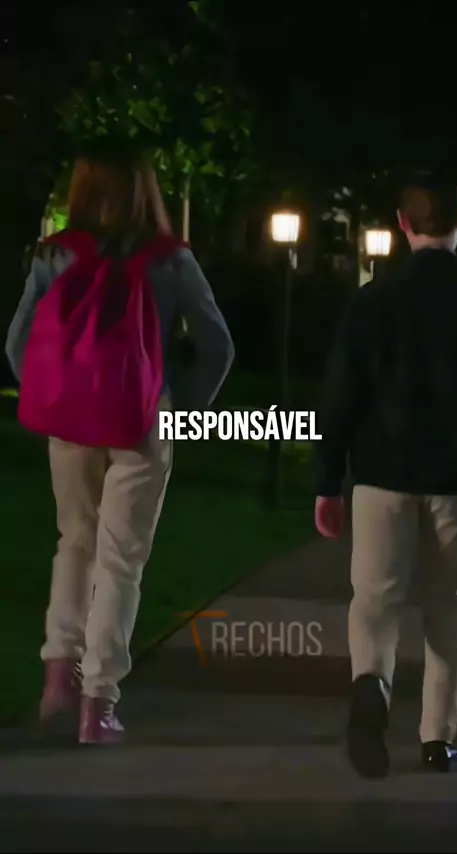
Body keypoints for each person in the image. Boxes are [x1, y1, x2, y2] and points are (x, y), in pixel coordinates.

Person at [5, 145, 235, 744]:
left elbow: (17, 342)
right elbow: (218, 344)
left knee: (74, 543)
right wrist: (184, 407)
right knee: (121, 560)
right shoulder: (171, 260)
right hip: (144, 420)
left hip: (70, 423)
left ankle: (59, 676)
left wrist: (50, 395)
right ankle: (99, 703)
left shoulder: (55, 255)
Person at [314, 172, 457, 777]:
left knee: (375, 600)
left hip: (381, 473)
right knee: (449, 605)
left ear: (403, 224)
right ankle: (437, 737)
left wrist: (328, 482)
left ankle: (372, 687)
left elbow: (340, 398)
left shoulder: (372, 301)